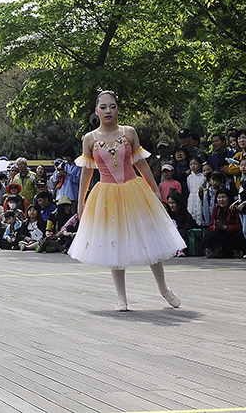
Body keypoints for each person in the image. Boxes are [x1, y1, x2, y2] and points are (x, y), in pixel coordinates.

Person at [69, 90, 184, 311]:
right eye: (103, 107)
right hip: (106, 194)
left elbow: (141, 164)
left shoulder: (128, 132)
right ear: (96, 111)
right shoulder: (90, 139)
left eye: (112, 106)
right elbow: (86, 172)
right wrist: (81, 201)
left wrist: (155, 191)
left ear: (118, 109)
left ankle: (164, 289)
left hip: (133, 190)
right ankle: (121, 298)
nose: (108, 111)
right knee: (115, 244)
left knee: (150, 240)